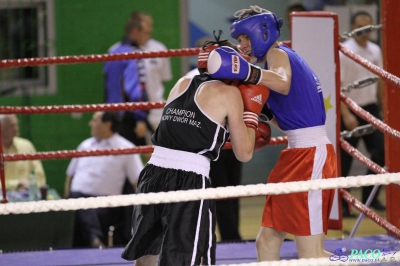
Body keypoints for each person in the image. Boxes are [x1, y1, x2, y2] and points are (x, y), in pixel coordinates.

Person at [121, 36, 271, 266]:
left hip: (152, 174)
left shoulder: (181, 84)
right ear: (233, 63)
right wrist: (250, 117)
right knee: (189, 258)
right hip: (190, 180)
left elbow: (174, 131)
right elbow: (244, 153)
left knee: (146, 257)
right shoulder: (230, 95)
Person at [208, 5, 337, 260]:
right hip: (295, 154)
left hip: (311, 156)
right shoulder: (270, 65)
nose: (241, 45)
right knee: (266, 241)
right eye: (239, 40)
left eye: (245, 38)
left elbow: (282, 81)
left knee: (311, 254)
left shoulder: (277, 55)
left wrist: (247, 72)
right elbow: (291, 115)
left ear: (261, 33)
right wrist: (261, 114)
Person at [186, 39, 243, 242]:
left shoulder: (234, 77)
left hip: (230, 139)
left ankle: (233, 236)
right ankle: (228, 238)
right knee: (218, 192)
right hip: (209, 144)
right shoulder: (191, 79)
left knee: (233, 191)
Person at [65, 111, 144, 248]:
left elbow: (139, 181)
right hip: (76, 200)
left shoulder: (126, 148)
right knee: (77, 201)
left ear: (107, 125)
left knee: (80, 202)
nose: (90, 123)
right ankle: (94, 240)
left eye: (95, 120)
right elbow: (70, 177)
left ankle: (94, 240)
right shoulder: (85, 145)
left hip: (107, 206)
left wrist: (143, 212)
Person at [339, 10, 385, 215]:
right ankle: (342, 204)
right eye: (360, 25)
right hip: (349, 108)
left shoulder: (375, 50)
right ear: (353, 27)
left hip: (371, 107)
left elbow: (380, 79)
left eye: (368, 26)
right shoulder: (345, 51)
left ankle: (369, 198)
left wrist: (384, 108)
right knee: (345, 159)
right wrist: (346, 114)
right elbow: (337, 85)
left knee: (381, 153)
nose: (364, 30)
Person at [103, 11, 151, 147]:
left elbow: (108, 86)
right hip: (129, 115)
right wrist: (140, 117)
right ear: (136, 32)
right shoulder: (134, 53)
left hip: (113, 115)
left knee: (119, 155)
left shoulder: (113, 52)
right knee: (153, 155)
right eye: (146, 33)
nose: (149, 37)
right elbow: (135, 88)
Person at [0, 114, 46, 191]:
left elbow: (40, 178)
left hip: (27, 197)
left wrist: (30, 185)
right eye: (11, 126)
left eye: (17, 124)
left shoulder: (26, 146)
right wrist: (17, 184)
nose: (16, 128)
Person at [140, 36, 173, 133]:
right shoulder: (120, 50)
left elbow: (164, 78)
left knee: (160, 145)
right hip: (132, 111)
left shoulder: (159, 48)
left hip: (156, 110)